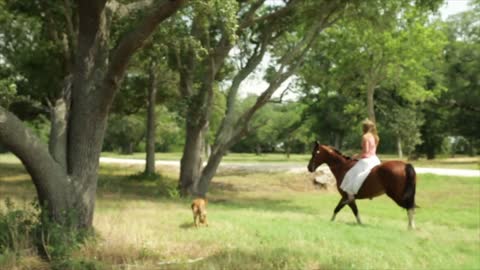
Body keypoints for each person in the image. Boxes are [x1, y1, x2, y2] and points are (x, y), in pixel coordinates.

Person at [340, 119, 381, 203]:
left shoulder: (365, 137)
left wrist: (356, 156)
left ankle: (350, 195)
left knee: (350, 174)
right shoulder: (375, 137)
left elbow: (365, 152)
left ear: (364, 128)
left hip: (367, 160)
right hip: (375, 159)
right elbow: (373, 151)